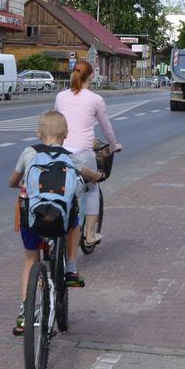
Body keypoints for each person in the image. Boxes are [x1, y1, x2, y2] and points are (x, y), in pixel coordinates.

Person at [7, 110, 103, 335]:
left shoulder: (29, 153)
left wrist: (19, 184)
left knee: (31, 259)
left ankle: (24, 313)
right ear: (66, 134)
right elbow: (89, 175)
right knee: (75, 215)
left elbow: (12, 181)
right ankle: (70, 268)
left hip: (32, 219)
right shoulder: (70, 157)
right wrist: (98, 176)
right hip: (59, 220)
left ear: (38, 133)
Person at [55, 60, 122, 284]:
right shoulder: (95, 99)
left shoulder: (61, 96)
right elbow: (106, 127)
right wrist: (113, 145)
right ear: (91, 77)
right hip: (83, 154)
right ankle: (90, 234)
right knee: (93, 188)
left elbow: (59, 122)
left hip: (61, 152)